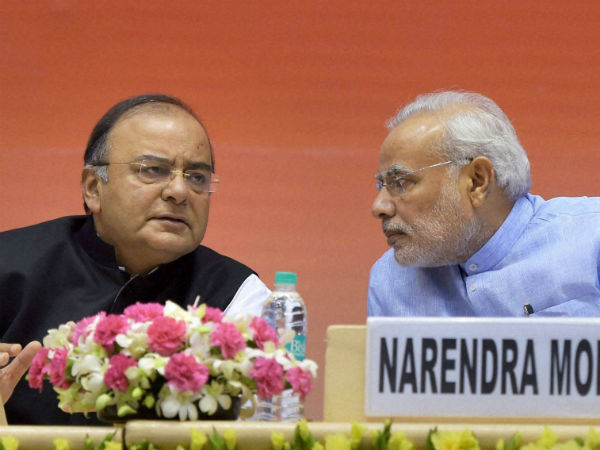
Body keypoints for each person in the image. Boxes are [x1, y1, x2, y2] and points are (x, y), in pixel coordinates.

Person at [0, 94, 270, 424]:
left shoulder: (237, 295)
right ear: (93, 188)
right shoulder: (8, 265)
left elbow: (259, 430)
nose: (179, 191)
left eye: (197, 177)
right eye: (153, 170)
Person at [368, 91, 600, 317]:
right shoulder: (391, 281)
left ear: (477, 181)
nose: (379, 207)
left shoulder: (592, 240)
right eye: (382, 185)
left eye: (401, 182)